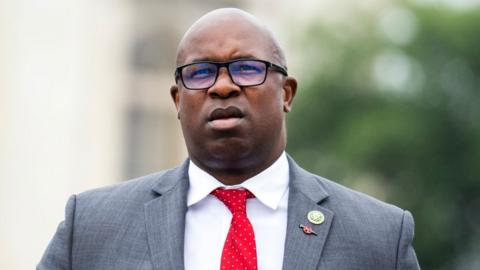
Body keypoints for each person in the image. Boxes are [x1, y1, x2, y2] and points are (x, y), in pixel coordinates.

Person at [38, 8, 420, 270]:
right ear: (177, 99)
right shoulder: (91, 227)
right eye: (200, 73)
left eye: (246, 68)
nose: (223, 86)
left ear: (286, 93)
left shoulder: (378, 236)